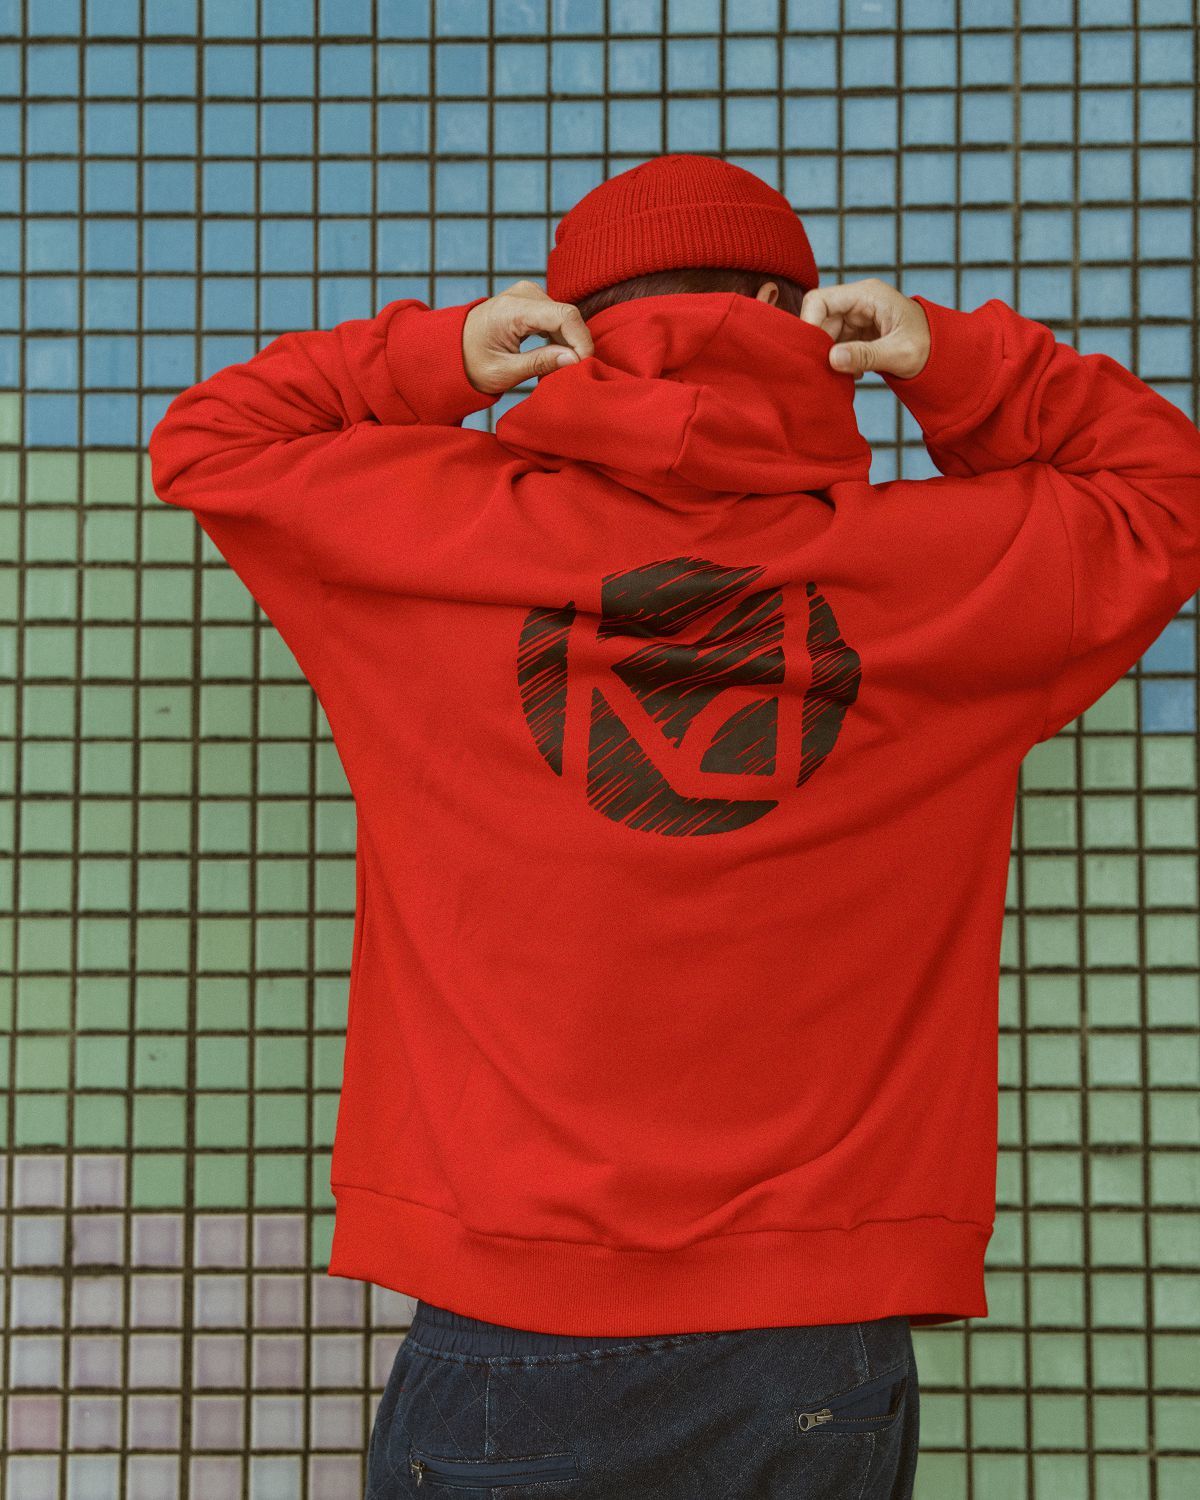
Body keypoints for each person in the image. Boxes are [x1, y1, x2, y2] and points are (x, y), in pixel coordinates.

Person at [147, 154, 1200, 1498]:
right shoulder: (948, 577)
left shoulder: (428, 544)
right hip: (813, 1339)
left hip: (511, 1317)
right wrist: (958, 364)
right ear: (797, 317)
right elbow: (1163, 488)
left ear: (573, 327)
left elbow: (211, 438)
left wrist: (442, 354)